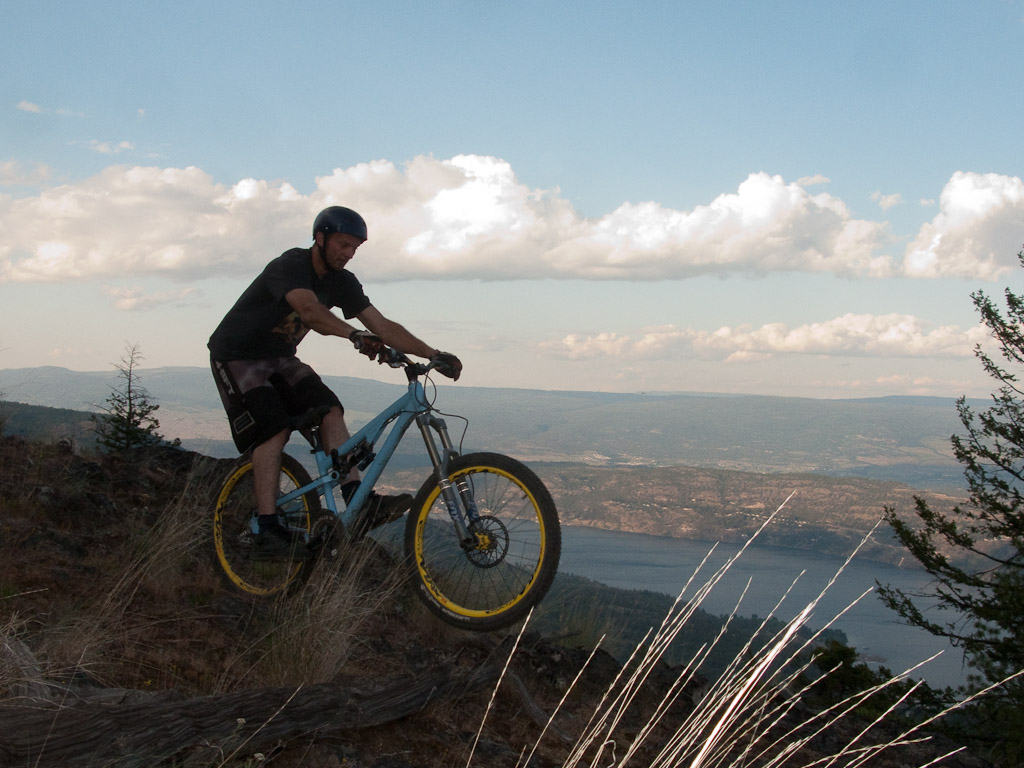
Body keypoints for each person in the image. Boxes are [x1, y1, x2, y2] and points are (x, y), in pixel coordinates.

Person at [208, 206, 462, 560]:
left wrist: (433, 353)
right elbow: (309, 310)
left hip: (280, 358)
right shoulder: (290, 266)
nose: (348, 253)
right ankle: (266, 528)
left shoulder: (342, 281)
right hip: (237, 356)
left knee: (330, 411)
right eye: (343, 244)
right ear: (320, 238)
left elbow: (383, 326)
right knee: (273, 430)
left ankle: (358, 500)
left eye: (355, 248)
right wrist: (353, 334)